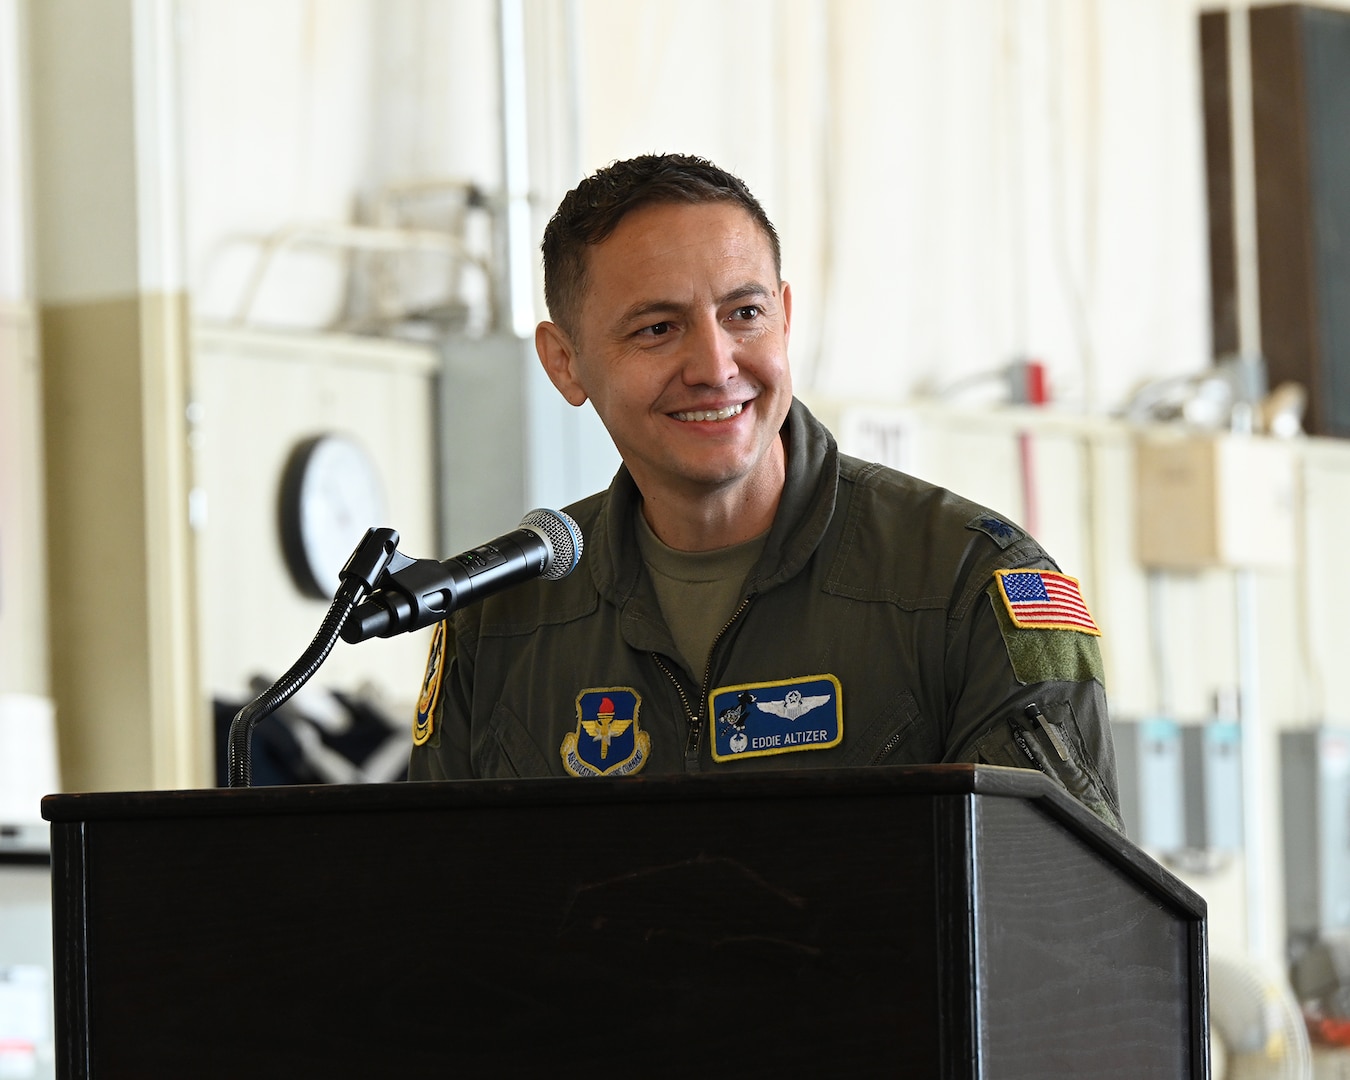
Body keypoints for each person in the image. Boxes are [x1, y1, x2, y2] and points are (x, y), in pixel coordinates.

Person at [408, 152, 1122, 831]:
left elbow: (1059, 915)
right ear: (566, 364)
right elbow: (435, 918)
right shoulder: (496, 620)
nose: (715, 366)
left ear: (784, 314)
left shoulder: (971, 587)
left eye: (744, 314)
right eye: (658, 329)